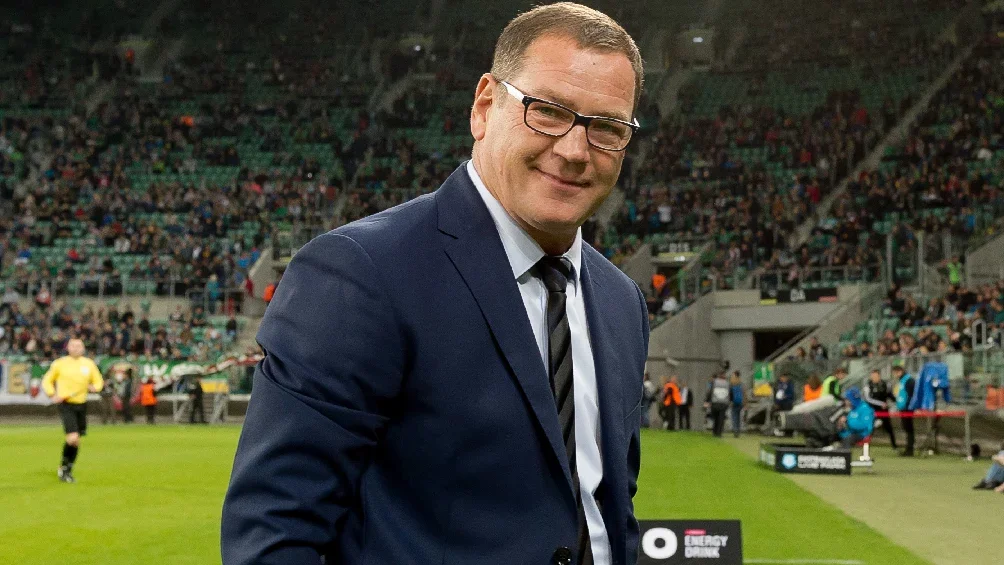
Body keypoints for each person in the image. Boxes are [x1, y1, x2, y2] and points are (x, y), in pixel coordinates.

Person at [222, 5, 648, 564]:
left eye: (606, 128)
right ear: (485, 106)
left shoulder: (621, 301)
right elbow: (274, 532)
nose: (573, 150)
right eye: (547, 112)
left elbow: (607, 510)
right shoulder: (361, 273)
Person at [41, 338, 104, 483]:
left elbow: (98, 381)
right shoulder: (59, 363)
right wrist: (52, 394)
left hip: (81, 405)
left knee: (76, 441)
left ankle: (65, 467)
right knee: (73, 437)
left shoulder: (89, 364)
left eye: (79, 346)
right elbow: (47, 380)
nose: (76, 348)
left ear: (83, 348)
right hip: (66, 404)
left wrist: (95, 387)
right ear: (68, 348)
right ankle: (65, 470)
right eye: (73, 346)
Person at [863, 369, 897, 449]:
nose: (874, 377)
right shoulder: (868, 386)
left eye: (876, 376)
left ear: (879, 376)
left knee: (889, 428)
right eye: (872, 376)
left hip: (884, 410)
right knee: (870, 427)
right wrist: (881, 404)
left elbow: (890, 395)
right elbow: (868, 399)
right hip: (872, 410)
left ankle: (894, 445)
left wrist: (897, 402)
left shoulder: (886, 384)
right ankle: (865, 444)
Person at [893, 365, 916, 456]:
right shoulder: (902, 380)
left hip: (907, 409)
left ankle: (910, 449)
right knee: (906, 428)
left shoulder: (909, 380)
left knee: (909, 428)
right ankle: (908, 448)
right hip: (903, 408)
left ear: (899, 371)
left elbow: (911, 395)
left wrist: (908, 406)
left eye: (895, 373)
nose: (895, 375)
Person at [705, 372, 730, 437]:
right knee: (721, 418)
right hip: (724, 403)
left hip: (715, 402)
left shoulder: (714, 382)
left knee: (715, 418)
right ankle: (719, 433)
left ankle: (715, 431)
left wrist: (707, 401)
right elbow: (730, 393)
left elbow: (710, 392)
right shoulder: (727, 383)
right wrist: (729, 401)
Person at [729, 372, 745, 438]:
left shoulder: (732, 383)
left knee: (734, 416)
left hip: (734, 402)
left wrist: (730, 401)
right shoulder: (741, 383)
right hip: (740, 402)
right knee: (738, 417)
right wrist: (745, 403)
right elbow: (744, 393)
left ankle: (735, 430)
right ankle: (738, 430)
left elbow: (730, 393)